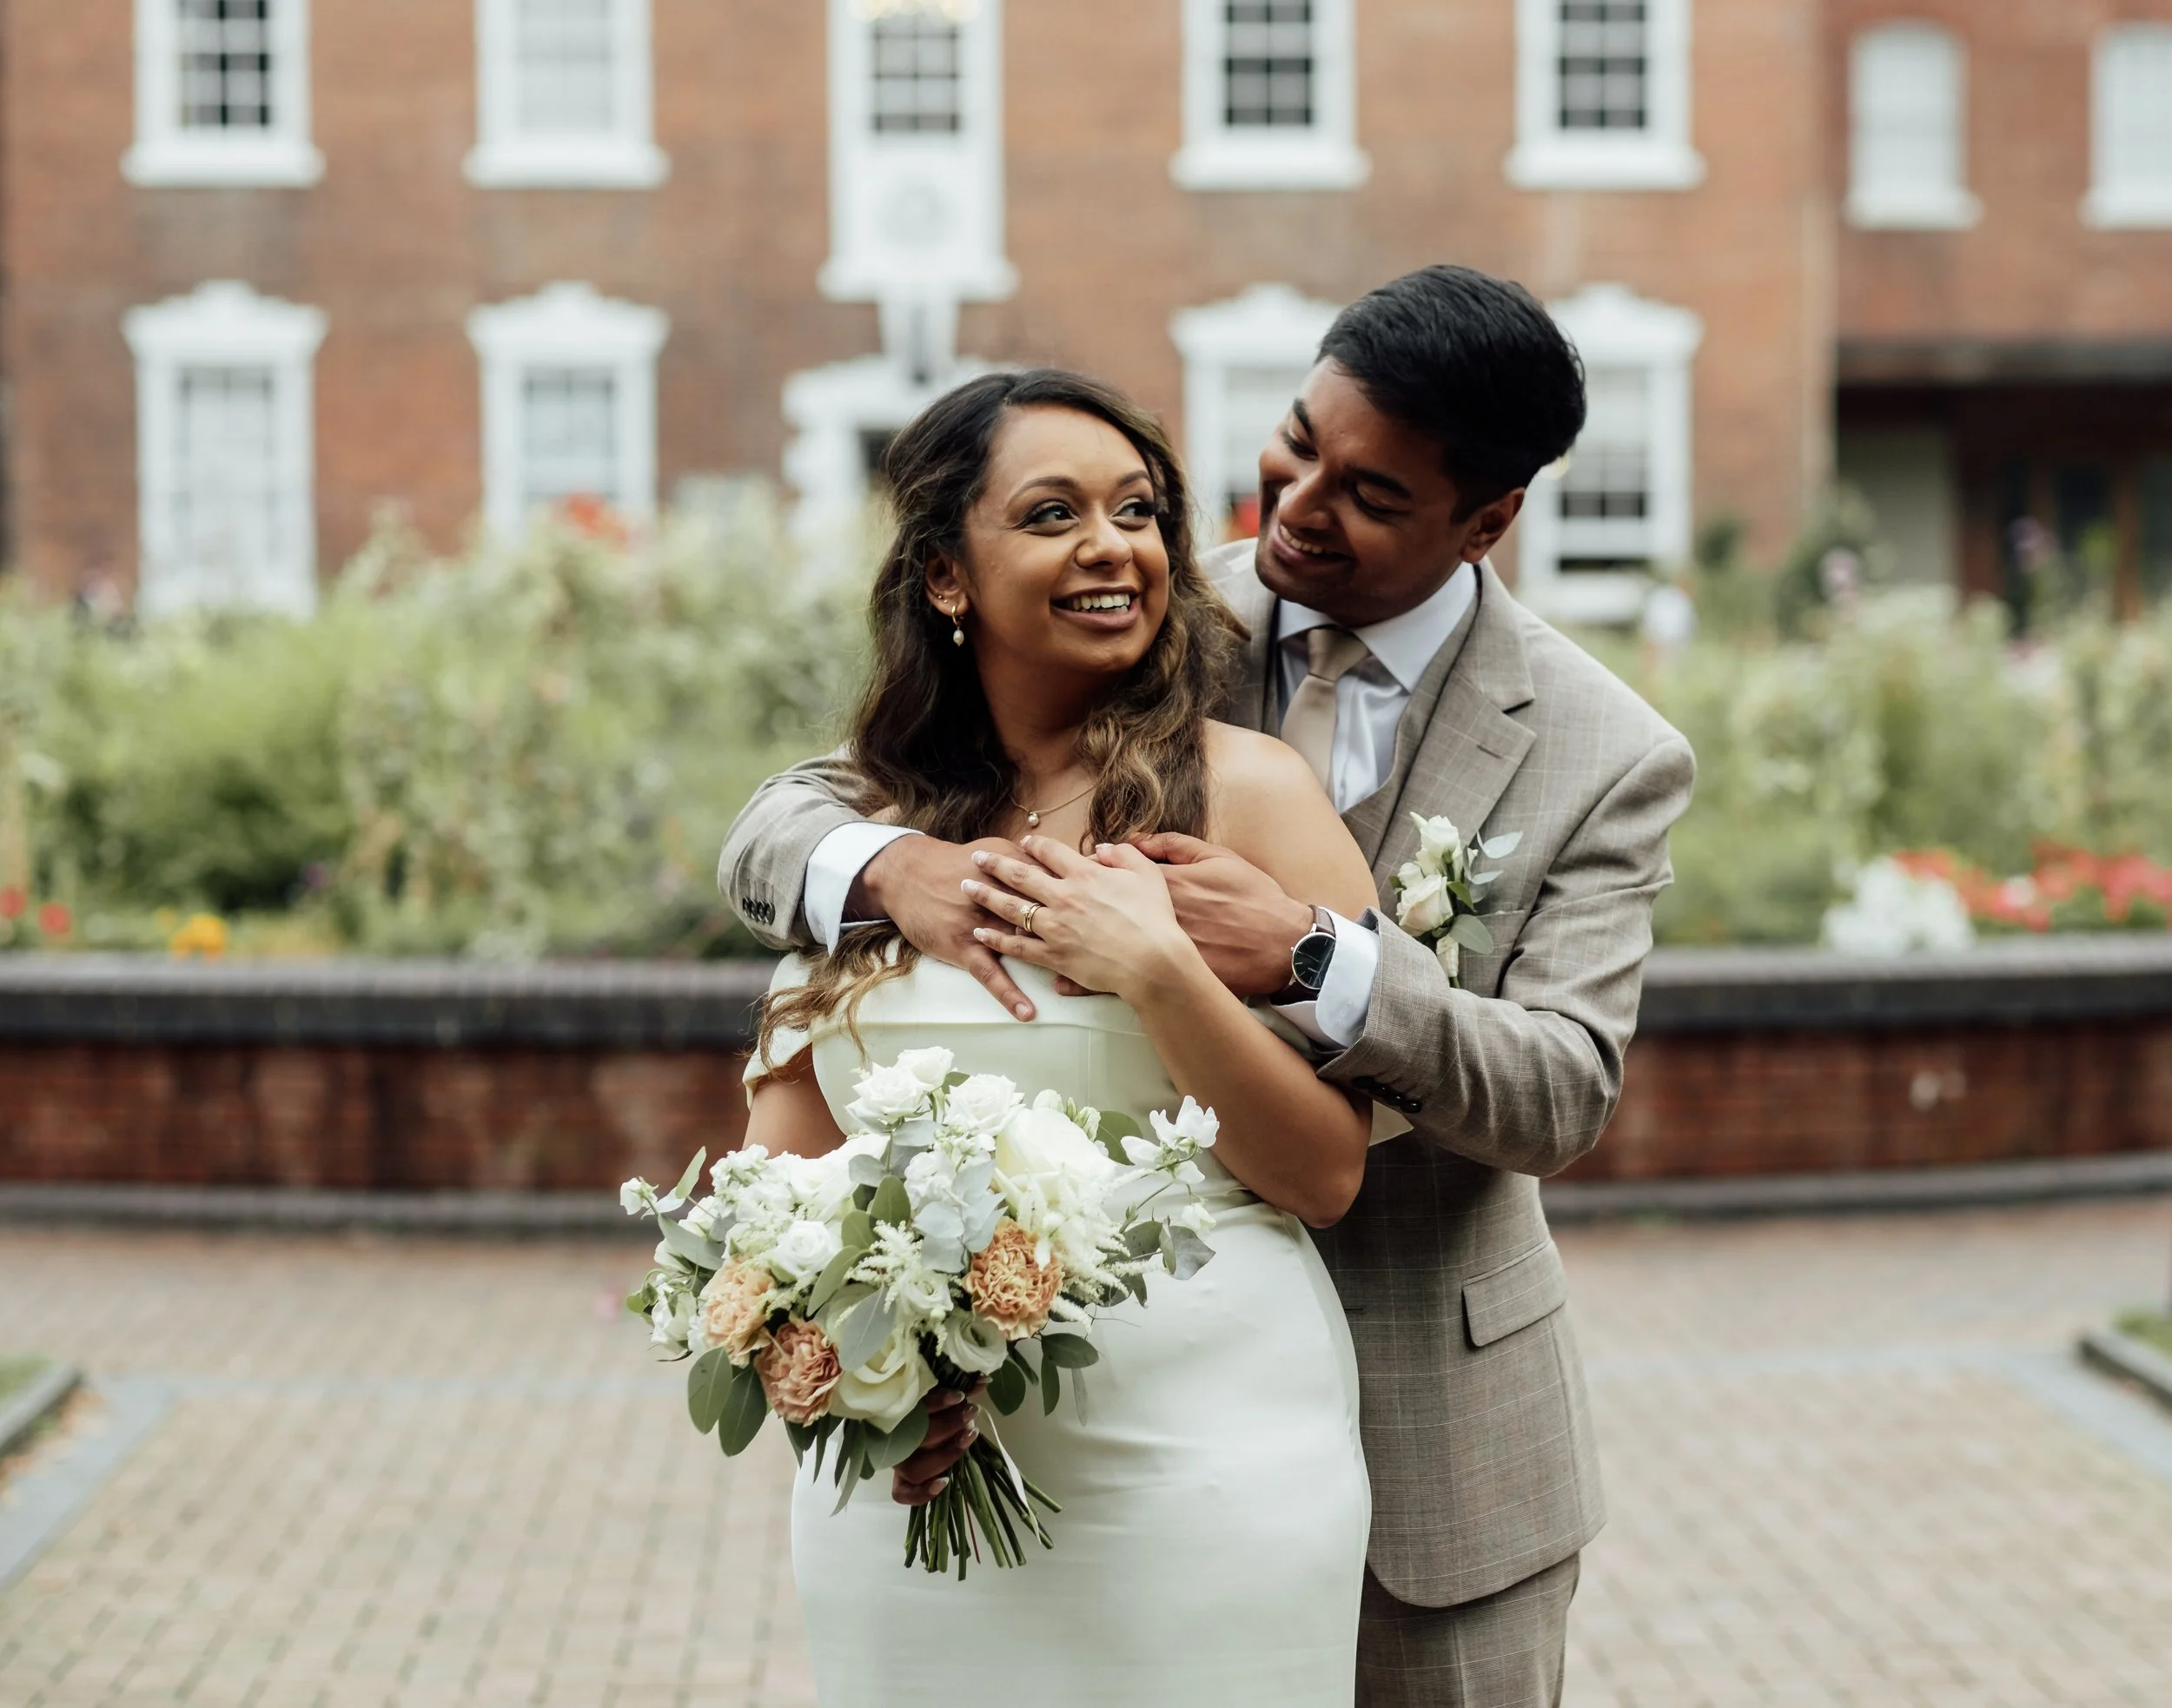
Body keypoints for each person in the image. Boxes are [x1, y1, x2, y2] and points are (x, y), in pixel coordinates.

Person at [724, 265, 1698, 1708]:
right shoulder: (1152, 605)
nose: (1299, 505)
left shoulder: (1601, 750)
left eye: (1371, 495)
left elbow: (1561, 1090)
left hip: (1416, 1415)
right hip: (1033, 1417)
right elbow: (804, 814)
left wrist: (1317, 957)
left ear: (1487, 520)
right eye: (1296, 442)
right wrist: (884, 872)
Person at [739, 367, 1376, 1705]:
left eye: (1137, 509)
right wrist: (872, 1373)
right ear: (946, 577)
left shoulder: (1252, 796)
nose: (1113, 546)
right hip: (910, 1490)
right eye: (1051, 513)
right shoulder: (863, 840)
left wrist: (1157, 971)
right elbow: (784, 1173)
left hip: (1209, 1460)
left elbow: (1325, 1171)